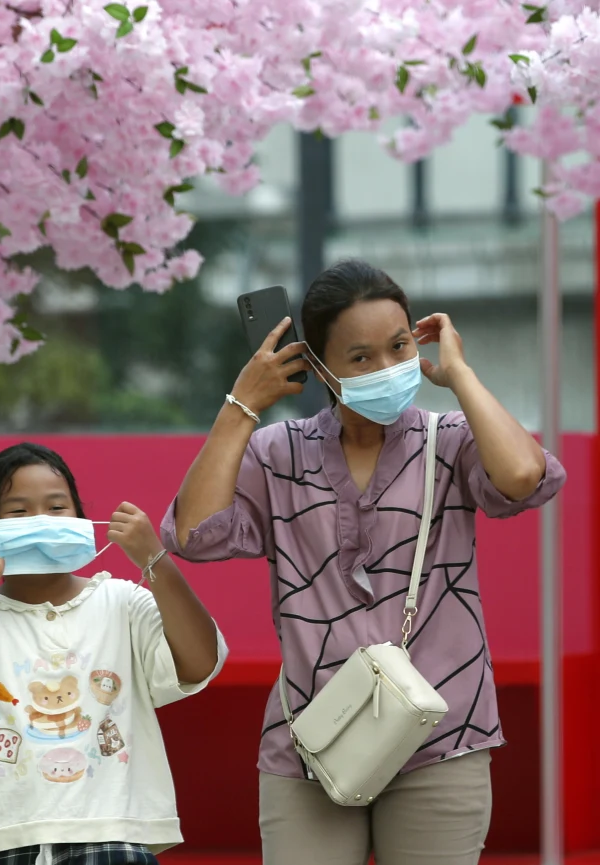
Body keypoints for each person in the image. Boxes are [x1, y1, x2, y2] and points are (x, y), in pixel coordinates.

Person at [161, 259, 566, 865]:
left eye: (399, 346)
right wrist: (241, 406)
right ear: (318, 364)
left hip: (443, 735)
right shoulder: (277, 455)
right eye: (361, 357)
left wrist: (458, 373)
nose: (387, 368)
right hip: (314, 742)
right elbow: (193, 534)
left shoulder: (449, 439)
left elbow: (523, 475)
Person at [0, 442, 228, 865]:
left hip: (114, 835)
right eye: (18, 512)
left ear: (82, 516)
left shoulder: (123, 601)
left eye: (57, 507)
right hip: (0, 841)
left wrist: (154, 558)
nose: (40, 520)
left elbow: (200, 662)